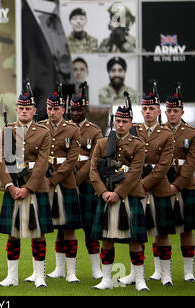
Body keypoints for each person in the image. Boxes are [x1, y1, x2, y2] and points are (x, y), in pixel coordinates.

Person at [0, 91, 53, 288]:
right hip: (13, 187)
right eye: (21, 108)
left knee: (38, 234)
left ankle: (40, 276)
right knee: (13, 233)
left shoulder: (43, 132)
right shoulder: (8, 131)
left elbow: (43, 164)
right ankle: (11, 277)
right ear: (17, 110)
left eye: (28, 108)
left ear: (34, 111)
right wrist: (10, 186)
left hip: (35, 188)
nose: (24, 111)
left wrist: (27, 188)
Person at [89, 101, 149, 291]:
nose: (121, 124)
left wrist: (118, 193)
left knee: (135, 240)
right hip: (106, 196)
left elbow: (135, 173)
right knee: (106, 239)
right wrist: (104, 192)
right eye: (118, 121)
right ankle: (107, 279)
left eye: (124, 121)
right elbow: (93, 172)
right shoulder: (102, 143)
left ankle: (140, 280)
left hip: (129, 196)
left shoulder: (138, 144)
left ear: (131, 123)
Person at [132, 91, 175, 286]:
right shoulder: (133, 131)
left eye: (151, 109)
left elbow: (164, 166)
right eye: (145, 109)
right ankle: (136, 274)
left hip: (159, 189)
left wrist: (143, 183)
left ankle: (166, 275)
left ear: (159, 111)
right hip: (135, 189)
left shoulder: (166, 134)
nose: (148, 112)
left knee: (162, 234)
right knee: (137, 234)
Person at [39, 91, 82, 283]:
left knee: (68, 228)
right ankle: (55, 269)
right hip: (42, 182)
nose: (52, 112)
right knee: (41, 228)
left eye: (56, 109)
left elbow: (72, 160)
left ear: (63, 109)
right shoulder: (40, 127)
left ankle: (71, 271)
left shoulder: (72, 129)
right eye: (49, 108)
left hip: (65, 182)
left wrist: (54, 179)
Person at [69, 83, 104, 280]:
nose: (75, 112)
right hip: (67, 182)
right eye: (73, 109)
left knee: (90, 228)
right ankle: (62, 268)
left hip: (87, 183)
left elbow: (94, 159)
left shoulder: (95, 131)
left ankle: (96, 268)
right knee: (66, 226)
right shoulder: (64, 129)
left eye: (79, 109)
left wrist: (76, 178)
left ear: (86, 109)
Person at [163, 90, 195, 282]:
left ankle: (188, 271)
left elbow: (191, 163)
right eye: (169, 110)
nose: (172, 113)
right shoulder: (160, 131)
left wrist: (177, 185)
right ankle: (162, 272)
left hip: (186, 186)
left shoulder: (191, 133)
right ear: (165, 112)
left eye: (176, 110)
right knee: (161, 229)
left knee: (187, 229)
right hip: (162, 186)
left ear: (182, 112)